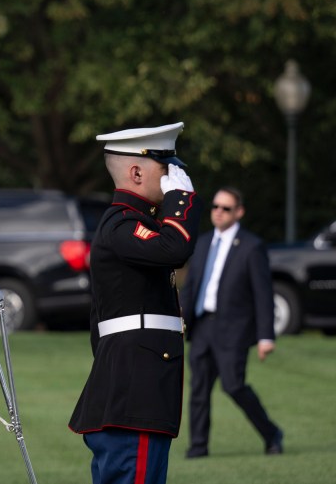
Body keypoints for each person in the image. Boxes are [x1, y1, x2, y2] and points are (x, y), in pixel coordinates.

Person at [69, 122, 200, 484]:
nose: (175, 177)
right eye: (167, 168)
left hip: (138, 391)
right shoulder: (123, 225)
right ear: (137, 171)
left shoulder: (136, 224)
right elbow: (175, 248)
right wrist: (183, 201)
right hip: (134, 393)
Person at [181, 187, 283, 457]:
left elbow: (263, 295)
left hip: (233, 330)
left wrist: (266, 337)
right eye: (215, 206)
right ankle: (198, 447)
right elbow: (190, 287)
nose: (218, 212)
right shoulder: (202, 243)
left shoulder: (252, 246)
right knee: (199, 390)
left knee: (233, 386)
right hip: (202, 327)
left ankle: (271, 433)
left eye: (226, 208)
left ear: (239, 212)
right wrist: (179, 320)